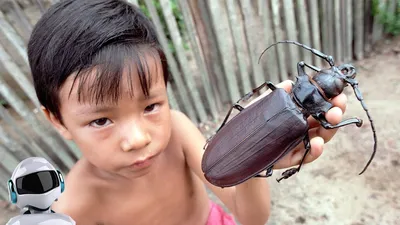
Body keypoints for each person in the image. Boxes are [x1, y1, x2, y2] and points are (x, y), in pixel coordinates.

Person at [27, 0, 348, 224]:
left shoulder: (177, 132)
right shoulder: (71, 206)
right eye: (101, 120)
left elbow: (251, 218)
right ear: (58, 121)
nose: (138, 139)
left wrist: (258, 154)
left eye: (150, 106)